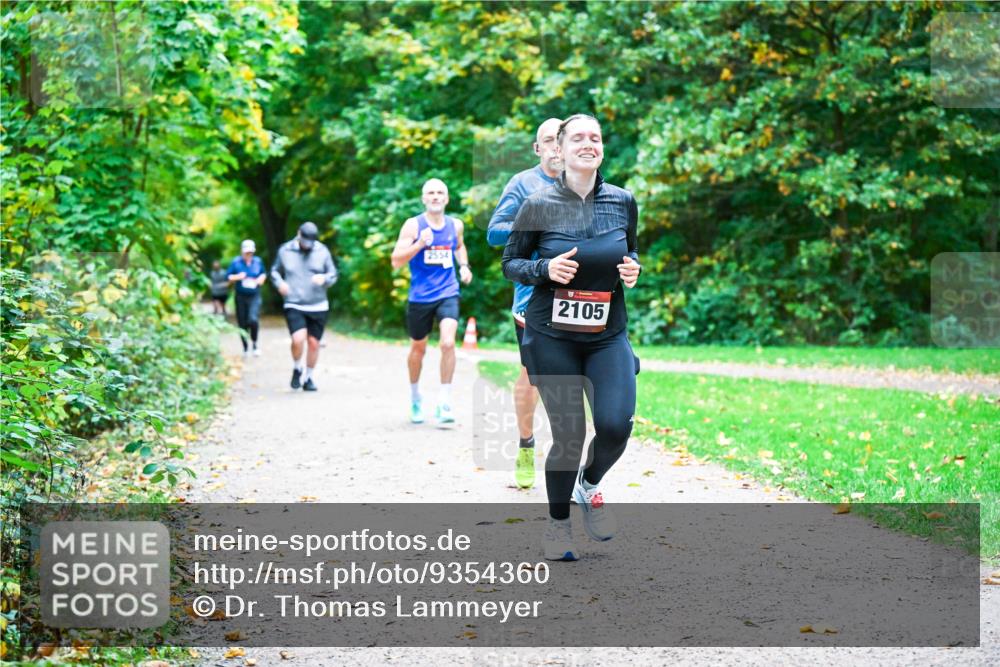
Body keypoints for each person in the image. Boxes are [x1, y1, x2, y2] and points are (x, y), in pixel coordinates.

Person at [502, 114, 642, 561]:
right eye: (578, 137)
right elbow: (511, 262)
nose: (588, 143)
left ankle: (591, 482)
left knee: (616, 425)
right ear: (558, 150)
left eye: (595, 138)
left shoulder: (623, 201)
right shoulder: (538, 204)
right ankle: (558, 524)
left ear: (602, 148)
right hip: (551, 335)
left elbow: (630, 248)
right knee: (569, 433)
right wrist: (544, 269)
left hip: (607, 333)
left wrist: (633, 267)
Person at [487, 118, 563, 489]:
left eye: (558, 140)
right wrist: (532, 220)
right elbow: (493, 233)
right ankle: (526, 444)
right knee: (532, 376)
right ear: (538, 148)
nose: (554, 147)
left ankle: (569, 456)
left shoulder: (585, 183)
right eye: (547, 141)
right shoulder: (523, 184)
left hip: (577, 298)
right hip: (533, 296)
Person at [390, 178, 473, 425]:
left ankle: (444, 401)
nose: (436, 196)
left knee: (448, 343)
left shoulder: (455, 225)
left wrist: (465, 266)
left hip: (447, 291)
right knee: (418, 348)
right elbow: (396, 261)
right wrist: (419, 244)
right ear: (424, 198)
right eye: (431, 193)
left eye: (440, 193)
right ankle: (415, 397)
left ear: (446, 199)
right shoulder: (413, 226)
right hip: (420, 296)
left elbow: (459, 246)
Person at [270, 222, 338, 392]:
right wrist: (280, 283)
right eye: (305, 241)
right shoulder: (285, 250)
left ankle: (308, 377)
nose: (307, 246)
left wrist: (325, 278)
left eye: (311, 242)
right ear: (298, 234)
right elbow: (274, 271)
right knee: (298, 339)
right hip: (294, 302)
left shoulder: (322, 251)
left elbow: (333, 273)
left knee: (314, 343)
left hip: (318, 304)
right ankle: (296, 367)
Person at [227, 240, 266, 356]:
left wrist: (261, 279)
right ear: (242, 252)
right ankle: (245, 347)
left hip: (254, 295)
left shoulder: (258, 262)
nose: (248, 255)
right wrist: (237, 277)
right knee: (242, 322)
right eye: (246, 252)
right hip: (240, 296)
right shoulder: (236, 262)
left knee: (253, 319)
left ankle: (254, 343)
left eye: (250, 253)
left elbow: (263, 273)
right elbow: (228, 277)